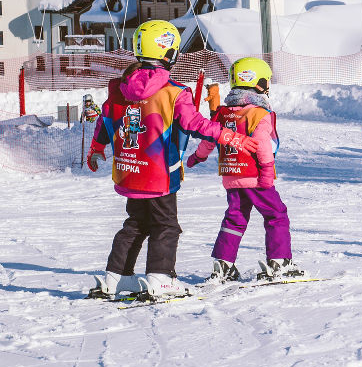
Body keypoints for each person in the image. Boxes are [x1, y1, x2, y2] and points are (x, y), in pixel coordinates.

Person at [85, 20, 259, 299]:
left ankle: (117, 277)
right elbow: (196, 124)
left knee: (135, 223)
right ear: (169, 53)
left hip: (130, 171)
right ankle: (161, 278)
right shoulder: (174, 91)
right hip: (159, 175)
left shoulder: (119, 87)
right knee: (166, 225)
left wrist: (97, 147)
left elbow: (105, 120)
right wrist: (230, 136)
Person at [185, 57, 299, 283]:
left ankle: (223, 264)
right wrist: (267, 172)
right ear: (259, 83)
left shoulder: (223, 113)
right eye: (267, 81)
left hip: (231, 175)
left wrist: (198, 156)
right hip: (255, 177)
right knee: (276, 214)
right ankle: (279, 262)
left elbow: (210, 138)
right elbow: (262, 144)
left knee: (235, 218)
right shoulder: (259, 113)